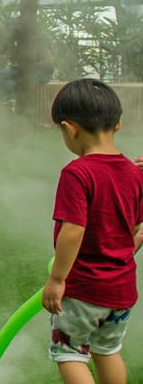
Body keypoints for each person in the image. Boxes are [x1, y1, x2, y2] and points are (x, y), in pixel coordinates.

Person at [42, 79, 143, 384]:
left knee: (70, 353)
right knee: (107, 350)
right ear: (118, 125)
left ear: (70, 128)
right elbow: (134, 231)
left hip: (85, 289)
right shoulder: (134, 172)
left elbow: (73, 230)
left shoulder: (77, 172)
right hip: (121, 291)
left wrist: (57, 279)